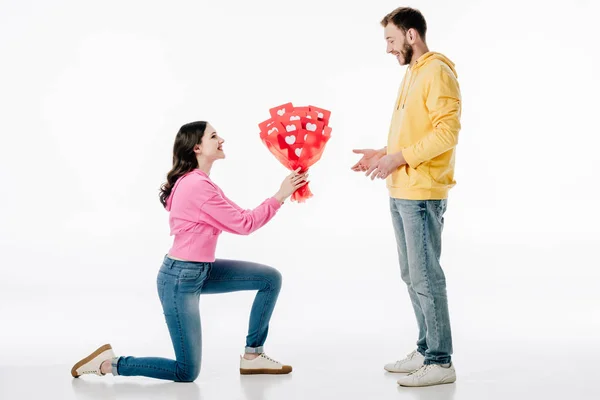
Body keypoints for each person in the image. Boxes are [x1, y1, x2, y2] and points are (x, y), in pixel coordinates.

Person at [71, 121, 307, 381]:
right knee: (186, 372)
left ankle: (253, 355)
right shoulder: (196, 186)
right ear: (197, 147)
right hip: (180, 279)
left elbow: (242, 216)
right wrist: (281, 195)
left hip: (200, 270)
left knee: (269, 278)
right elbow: (244, 224)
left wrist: (281, 195)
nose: (222, 140)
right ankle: (108, 364)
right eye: (214, 136)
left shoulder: (201, 182)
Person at [351, 7, 461, 387]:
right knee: (411, 274)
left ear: (411, 36)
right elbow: (415, 133)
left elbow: (446, 134)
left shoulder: (436, 72)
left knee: (427, 276)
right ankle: (426, 345)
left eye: (391, 40)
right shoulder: (414, 74)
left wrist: (398, 158)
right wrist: (384, 154)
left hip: (423, 192)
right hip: (401, 188)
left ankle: (440, 359)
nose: (388, 49)